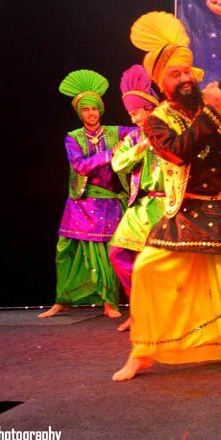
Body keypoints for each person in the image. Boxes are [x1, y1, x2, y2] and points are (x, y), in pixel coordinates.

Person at [112, 0, 221, 381]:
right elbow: (179, 153)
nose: (184, 79)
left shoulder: (215, 95)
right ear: (161, 83)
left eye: (187, 72)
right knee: (148, 269)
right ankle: (144, 350)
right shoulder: (156, 122)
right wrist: (212, 114)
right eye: (174, 75)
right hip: (188, 210)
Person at [42, 70, 134, 319]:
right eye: (86, 110)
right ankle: (63, 300)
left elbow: (142, 131)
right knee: (66, 251)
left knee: (107, 252)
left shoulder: (118, 132)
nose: (91, 114)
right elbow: (80, 165)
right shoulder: (72, 138)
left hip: (111, 201)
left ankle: (109, 303)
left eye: (94, 109)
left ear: (100, 111)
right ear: (80, 113)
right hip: (81, 202)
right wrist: (110, 154)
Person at [108, 65, 165, 333]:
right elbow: (117, 164)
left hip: (168, 206)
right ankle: (140, 310)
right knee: (118, 253)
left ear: (149, 108)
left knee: (164, 264)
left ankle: (168, 315)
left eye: (135, 113)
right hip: (140, 206)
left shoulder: (169, 131)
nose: (133, 120)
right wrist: (138, 151)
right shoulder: (134, 137)